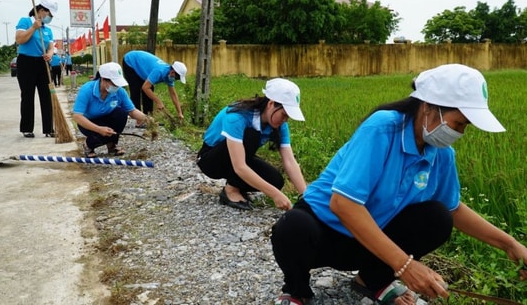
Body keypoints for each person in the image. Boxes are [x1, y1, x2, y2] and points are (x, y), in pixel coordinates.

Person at [271, 64, 527, 305]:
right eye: (458, 123)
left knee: (438, 217)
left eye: (465, 127)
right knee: (292, 226)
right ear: (428, 107)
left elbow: (453, 209)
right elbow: (343, 204)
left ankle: (372, 281)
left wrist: (510, 244)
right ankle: (297, 290)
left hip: (370, 241)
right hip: (322, 233)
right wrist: (405, 266)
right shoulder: (383, 127)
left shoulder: (441, 153)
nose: (459, 132)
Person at [196, 78, 307, 211]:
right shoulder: (238, 116)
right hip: (210, 161)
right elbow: (240, 167)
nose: (285, 120)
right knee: (251, 135)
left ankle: (236, 186)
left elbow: (290, 161)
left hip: (237, 159)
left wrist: (307, 198)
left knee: (275, 180)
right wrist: (275, 195)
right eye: (284, 114)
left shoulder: (280, 125)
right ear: (271, 104)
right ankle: (231, 190)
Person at [73, 62, 148, 158]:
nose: (116, 87)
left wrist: (148, 120)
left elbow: (132, 111)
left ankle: (112, 145)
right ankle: (89, 145)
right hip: (88, 122)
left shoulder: (120, 92)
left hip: (107, 118)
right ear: (103, 79)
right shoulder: (87, 90)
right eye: (114, 83)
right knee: (101, 134)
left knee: (121, 113)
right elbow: (77, 116)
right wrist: (99, 129)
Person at [15, 0, 58, 138]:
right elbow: (19, 39)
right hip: (26, 62)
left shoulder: (48, 30)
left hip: (42, 63)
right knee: (28, 95)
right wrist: (33, 27)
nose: (50, 17)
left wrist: (50, 54)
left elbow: (51, 47)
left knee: (46, 95)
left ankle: (49, 128)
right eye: (49, 14)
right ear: (41, 11)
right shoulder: (25, 21)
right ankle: (27, 128)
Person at [121, 50, 187, 121]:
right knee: (136, 90)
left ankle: (147, 118)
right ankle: (137, 119)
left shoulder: (169, 76)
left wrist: (179, 113)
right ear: (173, 72)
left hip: (142, 67)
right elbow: (145, 87)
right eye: (177, 78)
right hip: (131, 61)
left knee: (149, 91)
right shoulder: (159, 71)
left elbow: (173, 94)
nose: (175, 80)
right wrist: (158, 101)